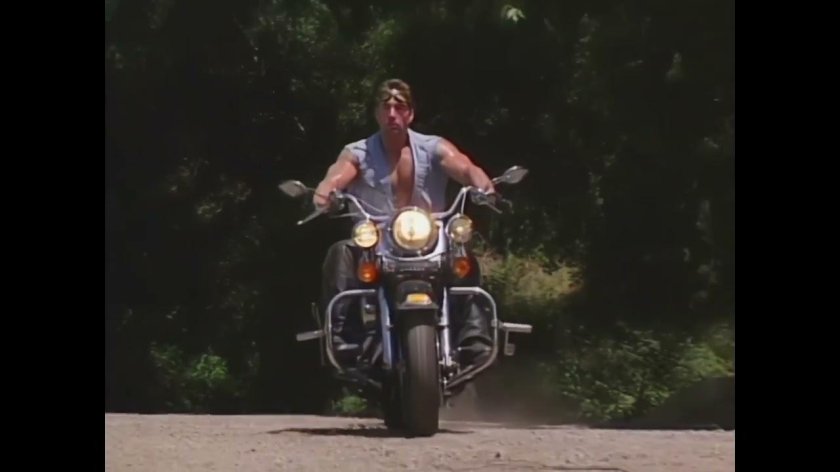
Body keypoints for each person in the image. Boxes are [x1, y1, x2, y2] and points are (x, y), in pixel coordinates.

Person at [312, 78, 495, 369]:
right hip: (376, 244)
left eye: (400, 107)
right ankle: (343, 336)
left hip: (429, 241)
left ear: (410, 114)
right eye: (386, 107)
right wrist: (325, 194)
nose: (392, 114)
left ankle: (475, 336)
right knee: (341, 252)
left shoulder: (432, 147)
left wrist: (482, 186)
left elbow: (464, 166)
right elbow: (337, 174)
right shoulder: (358, 152)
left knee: (463, 253)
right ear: (376, 113)